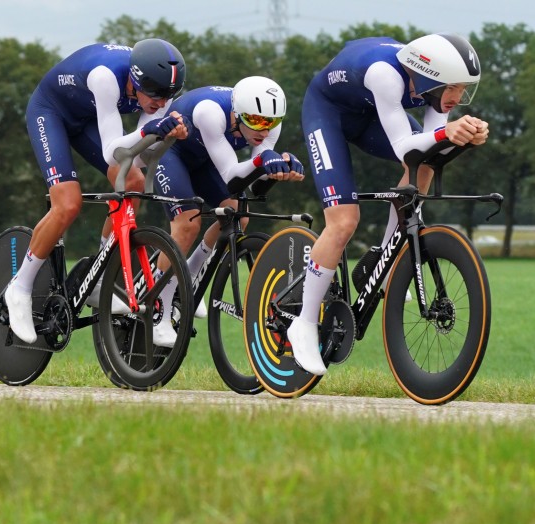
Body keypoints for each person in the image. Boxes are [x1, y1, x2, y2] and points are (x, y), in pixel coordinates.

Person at [289, 33, 490, 375]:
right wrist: (446, 134)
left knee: (426, 163)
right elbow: (404, 147)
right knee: (344, 221)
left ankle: (381, 259)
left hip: (369, 112)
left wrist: (463, 138)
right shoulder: (385, 75)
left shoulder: (430, 87)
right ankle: (304, 322)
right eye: (454, 87)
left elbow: (427, 150)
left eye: (464, 89)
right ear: (431, 77)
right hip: (329, 113)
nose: (458, 98)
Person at [5, 38, 189, 347]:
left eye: (169, 96)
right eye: (155, 95)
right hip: (50, 113)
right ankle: (20, 287)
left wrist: (167, 138)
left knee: (133, 183)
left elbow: (139, 156)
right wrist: (150, 131)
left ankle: (98, 274)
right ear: (136, 79)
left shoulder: (160, 92)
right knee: (68, 204)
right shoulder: (106, 78)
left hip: (86, 119)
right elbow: (111, 153)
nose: (160, 103)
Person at [149, 76, 306, 346]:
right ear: (238, 114)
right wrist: (261, 160)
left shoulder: (267, 126)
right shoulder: (210, 112)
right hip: (171, 155)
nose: (265, 131)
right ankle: (158, 312)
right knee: (188, 225)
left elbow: (254, 186)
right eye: (256, 121)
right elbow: (233, 177)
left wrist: (280, 168)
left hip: (207, 161)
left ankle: (190, 278)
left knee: (237, 215)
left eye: (272, 122)